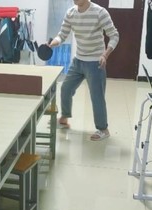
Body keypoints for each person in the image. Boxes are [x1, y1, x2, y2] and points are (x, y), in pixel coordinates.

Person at [49, 0, 119, 141]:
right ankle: (64, 118)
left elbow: (114, 35)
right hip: (78, 60)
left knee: (97, 97)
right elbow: (62, 35)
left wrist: (105, 55)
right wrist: (53, 43)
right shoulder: (71, 13)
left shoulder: (100, 12)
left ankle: (103, 129)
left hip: (95, 62)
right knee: (66, 88)